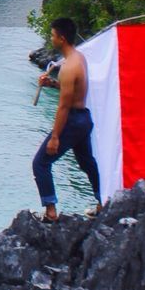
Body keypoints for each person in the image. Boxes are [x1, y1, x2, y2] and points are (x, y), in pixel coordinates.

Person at [33, 17, 100, 222]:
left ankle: (51, 212)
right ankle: (103, 201)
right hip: (84, 119)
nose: (51, 38)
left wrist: (55, 137)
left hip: (71, 120)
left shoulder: (69, 67)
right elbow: (72, 90)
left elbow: (64, 106)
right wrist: (52, 83)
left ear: (61, 38)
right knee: (87, 163)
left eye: (53, 35)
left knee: (40, 163)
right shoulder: (79, 58)